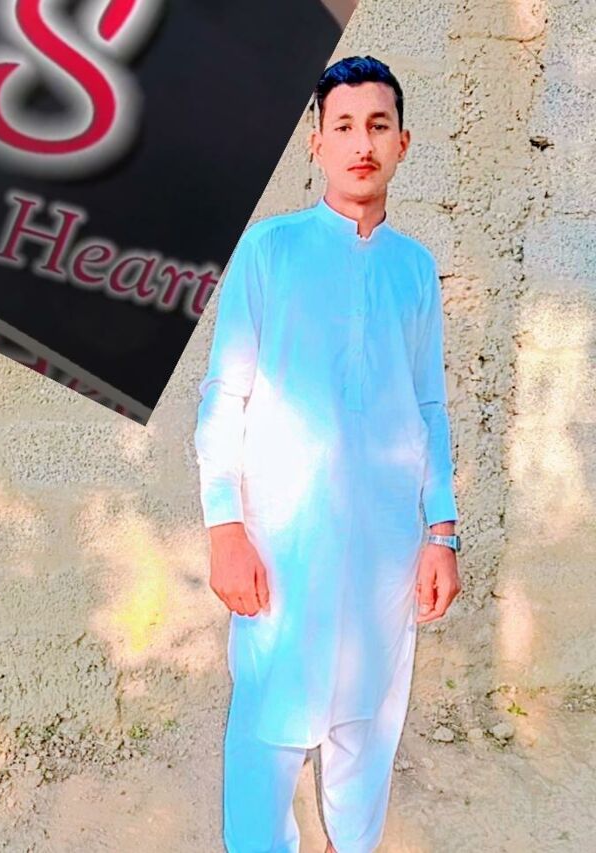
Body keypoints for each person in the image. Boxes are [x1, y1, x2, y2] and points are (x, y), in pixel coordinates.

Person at [194, 55, 462, 853]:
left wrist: (441, 531)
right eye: (343, 126)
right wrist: (224, 526)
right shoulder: (270, 250)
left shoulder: (414, 269)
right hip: (282, 549)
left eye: (378, 125)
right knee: (265, 737)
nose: (361, 143)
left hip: (385, 553)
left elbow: (428, 405)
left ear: (403, 142)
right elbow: (224, 395)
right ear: (316, 144)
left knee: (367, 729)